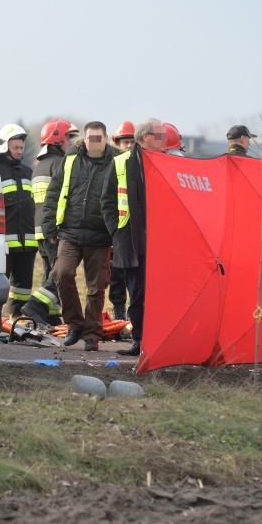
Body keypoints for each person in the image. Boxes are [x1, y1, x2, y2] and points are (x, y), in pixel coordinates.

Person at [42, 121, 116, 351]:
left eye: (98, 138)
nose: (92, 142)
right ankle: (74, 324)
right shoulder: (72, 158)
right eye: (89, 138)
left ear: (106, 139)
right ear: (84, 138)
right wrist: (49, 226)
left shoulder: (117, 161)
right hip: (70, 232)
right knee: (61, 273)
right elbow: (55, 190)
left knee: (96, 288)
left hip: (101, 235)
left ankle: (92, 335)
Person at [101, 118, 166, 357]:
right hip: (130, 242)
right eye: (159, 136)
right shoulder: (121, 163)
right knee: (137, 295)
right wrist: (116, 232)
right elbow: (107, 202)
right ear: (145, 138)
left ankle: (157, 341)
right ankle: (140, 341)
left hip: (160, 244)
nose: (164, 140)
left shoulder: (167, 163)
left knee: (159, 295)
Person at [20, 118, 74, 325]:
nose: (71, 142)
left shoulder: (40, 165)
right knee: (60, 273)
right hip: (54, 229)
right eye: (69, 137)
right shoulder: (59, 165)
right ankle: (36, 305)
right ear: (58, 140)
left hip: (40, 229)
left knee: (49, 271)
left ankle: (50, 314)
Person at [0, 123, 36, 319]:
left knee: (23, 286)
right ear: (4, 147)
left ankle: (16, 320)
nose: (20, 151)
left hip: (27, 241)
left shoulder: (28, 172)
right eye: (16, 148)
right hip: (4, 242)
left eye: (21, 148)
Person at [107, 121, 135, 324]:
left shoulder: (142, 164)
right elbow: (106, 199)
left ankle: (135, 313)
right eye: (125, 142)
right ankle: (119, 311)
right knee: (116, 273)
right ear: (117, 142)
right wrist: (113, 228)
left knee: (136, 276)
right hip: (119, 228)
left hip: (137, 229)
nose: (129, 146)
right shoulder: (113, 164)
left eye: (132, 141)